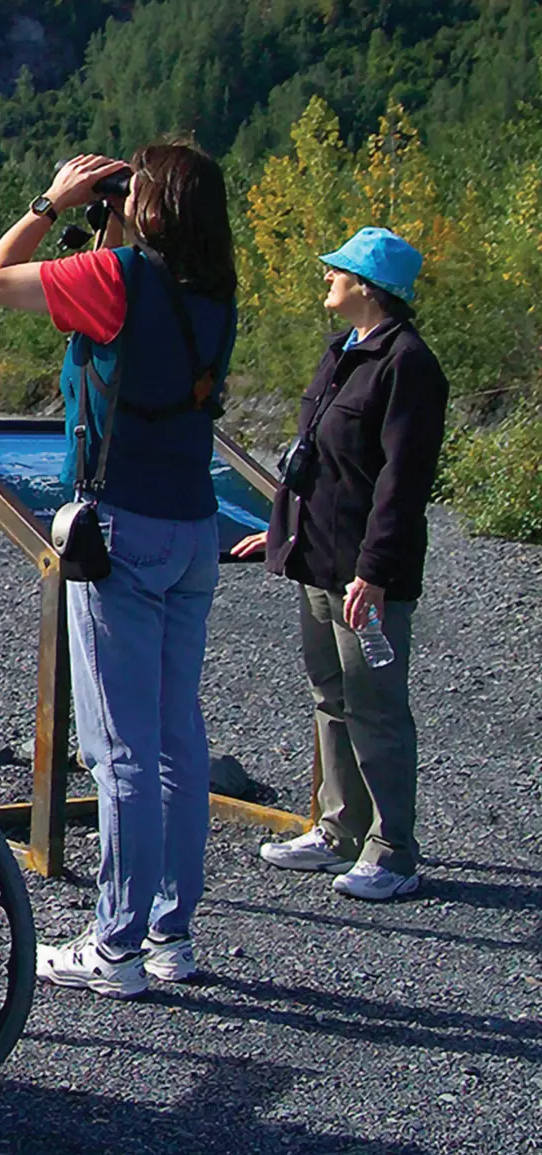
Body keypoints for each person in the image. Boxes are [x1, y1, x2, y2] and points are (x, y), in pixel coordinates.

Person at [0, 144, 239, 997]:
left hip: (120, 528)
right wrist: (115, 221)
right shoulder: (216, 292)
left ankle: (114, 947)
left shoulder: (116, 277)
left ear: (149, 205)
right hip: (193, 529)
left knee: (118, 750)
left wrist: (50, 203)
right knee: (175, 743)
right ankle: (171, 935)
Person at [230, 227, 447, 901]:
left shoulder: (407, 364)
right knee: (331, 696)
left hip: (364, 575)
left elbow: (401, 484)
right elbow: (315, 465)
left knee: (377, 706)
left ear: (368, 286)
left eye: (339, 270)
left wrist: (374, 573)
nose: (327, 277)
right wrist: (279, 534)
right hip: (318, 562)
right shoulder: (342, 352)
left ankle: (393, 852)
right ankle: (339, 828)